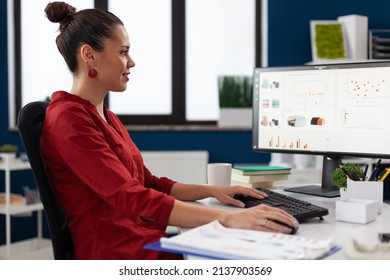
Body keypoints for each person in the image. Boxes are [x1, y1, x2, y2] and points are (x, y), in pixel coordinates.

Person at [41, 1, 299, 260]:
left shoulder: (105, 116)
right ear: (89, 55)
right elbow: (130, 197)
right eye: (122, 52)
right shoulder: (69, 119)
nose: (131, 62)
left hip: (145, 243)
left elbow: (148, 183)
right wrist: (228, 219)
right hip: (116, 254)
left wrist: (212, 191)